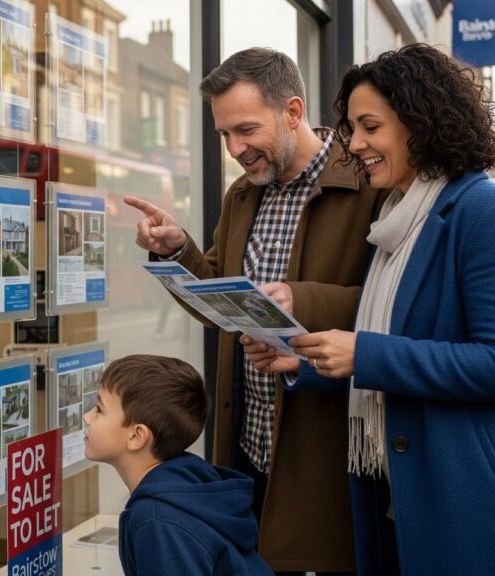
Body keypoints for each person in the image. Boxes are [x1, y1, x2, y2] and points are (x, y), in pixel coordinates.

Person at [125, 47, 387, 574]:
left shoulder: (370, 184)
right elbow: (223, 301)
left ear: (292, 111)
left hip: (321, 454)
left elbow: (401, 303)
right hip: (248, 444)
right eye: (224, 135)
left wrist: (303, 299)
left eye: (245, 129)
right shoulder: (244, 193)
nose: (235, 148)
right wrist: (178, 251)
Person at [252, 43, 495, 575]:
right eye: (351, 128)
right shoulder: (394, 218)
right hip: (390, 492)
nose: (356, 143)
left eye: (370, 126)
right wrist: (306, 364)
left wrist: (365, 354)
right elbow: (387, 353)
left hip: (459, 496)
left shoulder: (485, 212)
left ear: (422, 123)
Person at [83, 354, 274, 576]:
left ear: (136, 436)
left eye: (99, 409)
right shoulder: (185, 483)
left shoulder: (157, 519)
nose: (88, 417)